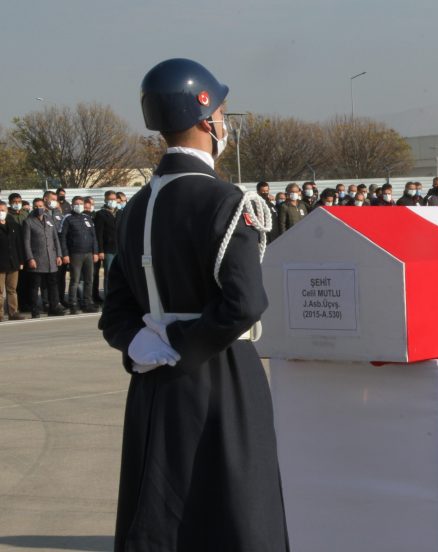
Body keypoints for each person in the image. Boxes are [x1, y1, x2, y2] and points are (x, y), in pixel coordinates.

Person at [98, 57, 288, 550]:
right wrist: (183, 342)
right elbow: (245, 304)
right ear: (207, 118)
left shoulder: (135, 207)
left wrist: (143, 342)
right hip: (219, 373)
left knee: (162, 514)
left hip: (154, 380)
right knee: (236, 509)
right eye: (223, 112)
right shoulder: (226, 201)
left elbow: (114, 311)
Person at [22, 198, 65, 318]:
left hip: (51, 259)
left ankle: (54, 307)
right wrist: (30, 258)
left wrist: (59, 255)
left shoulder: (49, 220)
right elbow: (26, 242)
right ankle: (35, 310)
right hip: (37, 260)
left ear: (44, 207)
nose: (38, 209)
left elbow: (55, 239)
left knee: (53, 285)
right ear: (32, 207)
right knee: (35, 286)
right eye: (36, 206)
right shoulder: (28, 222)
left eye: (40, 206)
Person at [59, 196, 99, 314]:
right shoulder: (67, 218)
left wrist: (95, 252)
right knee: (75, 280)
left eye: (81, 203)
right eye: (76, 203)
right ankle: (73, 304)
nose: (79, 205)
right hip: (75, 254)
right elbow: (63, 238)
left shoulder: (87, 218)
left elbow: (94, 237)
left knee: (89, 280)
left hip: (89, 253)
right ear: (72, 205)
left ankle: (87, 303)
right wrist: (65, 254)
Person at [0, 201, 27, 320]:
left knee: (12, 290)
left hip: (13, 262)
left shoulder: (13, 225)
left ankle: (13, 312)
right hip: (1, 263)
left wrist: (21, 261)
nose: (1, 212)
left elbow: (18, 245)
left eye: (3, 210)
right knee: (0, 291)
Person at [94, 190, 120, 304]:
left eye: (114, 199)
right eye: (110, 199)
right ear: (105, 200)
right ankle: (108, 296)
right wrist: (100, 250)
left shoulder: (120, 212)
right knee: (109, 273)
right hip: (108, 249)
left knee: (120, 274)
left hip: (119, 248)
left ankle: (118, 295)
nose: (112, 201)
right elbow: (98, 234)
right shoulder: (101, 214)